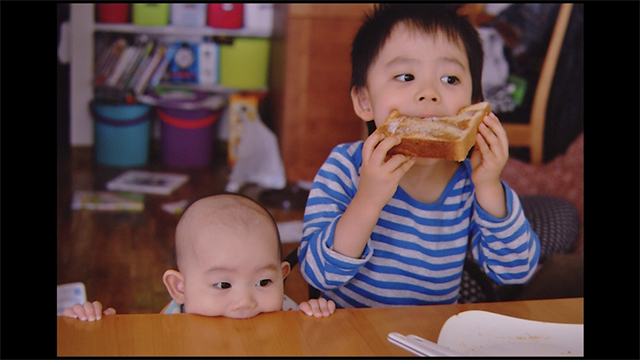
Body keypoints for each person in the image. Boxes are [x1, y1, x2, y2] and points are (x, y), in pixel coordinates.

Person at [298, 4, 540, 309]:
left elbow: (517, 271)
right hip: (351, 337)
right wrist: (368, 200)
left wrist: (489, 186)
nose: (429, 93)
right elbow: (318, 275)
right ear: (364, 100)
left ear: (473, 105)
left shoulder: (471, 181)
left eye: (450, 79)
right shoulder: (345, 167)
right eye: (405, 76)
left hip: (431, 340)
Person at [63, 194, 335, 320]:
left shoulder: (286, 314)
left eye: (264, 282)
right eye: (223, 285)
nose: (244, 303)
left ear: (283, 275)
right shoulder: (168, 328)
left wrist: (314, 321)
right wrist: (96, 326)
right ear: (179, 288)